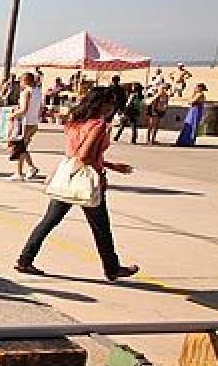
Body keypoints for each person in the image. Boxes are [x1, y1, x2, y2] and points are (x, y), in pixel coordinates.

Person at [14, 86, 139, 282]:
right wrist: (108, 167)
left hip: (67, 175)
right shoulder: (98, 125)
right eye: (110, 103)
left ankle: (25, 259)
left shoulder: (74, 121)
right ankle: (112, 268)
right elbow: (85, 155)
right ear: (102, 104)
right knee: (101, 228)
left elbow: (74, 154)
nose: (112, 107)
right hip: (85, 179)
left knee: (49, 221)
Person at [7, 71, 42, 180]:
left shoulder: (26, 92)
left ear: (25, 81)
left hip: (25, 123)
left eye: (20, 81)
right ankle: (28, 168)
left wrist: (12, 115)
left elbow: (24, 109)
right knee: (23, 148)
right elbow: (39, 108)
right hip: (34, 122)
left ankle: (21, 171)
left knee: (20, 148)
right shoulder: (38, 91)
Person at [175, 81, 208, 147]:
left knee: (193, 125)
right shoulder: (197, 94)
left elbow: (191, 101)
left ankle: (189, 140)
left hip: (196, 110)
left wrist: (193, 97)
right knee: (189, 124)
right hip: (193, 110)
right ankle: (185, 140)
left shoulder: (200, 94)